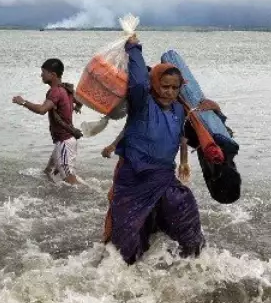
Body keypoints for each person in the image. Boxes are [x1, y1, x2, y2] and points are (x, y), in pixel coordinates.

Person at [103, 35, 212, 263]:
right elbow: (139, 83)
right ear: (154, 85)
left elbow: (182, 138)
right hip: (134, 177)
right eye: (164, 86)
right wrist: (134, 49)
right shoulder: (142, 104)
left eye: (174, 88)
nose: (169, 92)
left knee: (184, 207)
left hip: (163, 177)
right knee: (127, 235)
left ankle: (194, 262)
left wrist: (184, 161)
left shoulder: (179, 110)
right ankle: (123, 267)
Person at [12, 58, 83, 185]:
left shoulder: (56, 91)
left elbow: (42, 110)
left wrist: (23, 102)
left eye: (43, 72)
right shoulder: (67, 88)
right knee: (48, 172)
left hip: (64, 142)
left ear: (53, 75)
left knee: (71, 181)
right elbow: (80, 101)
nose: (41, 75)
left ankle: (86, 201)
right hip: (64, 141)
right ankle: (49, 195)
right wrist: (76, 107)